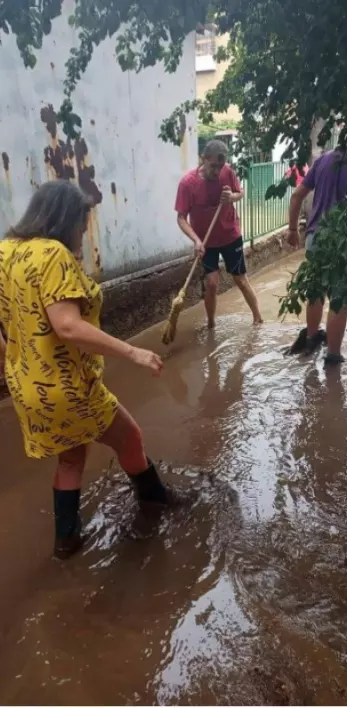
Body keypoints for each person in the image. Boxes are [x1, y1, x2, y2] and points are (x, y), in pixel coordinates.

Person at [0, 180, 184, 560]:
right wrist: (133, 352)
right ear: (65, 219)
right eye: (82, 225)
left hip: (30, 387)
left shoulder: (6, 252)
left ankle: (66, 541)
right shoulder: (52, 255)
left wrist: (13, 361)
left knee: (70, 457)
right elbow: (67, 326)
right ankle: (155, 502)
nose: (83, 234)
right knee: (129, 437)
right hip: (68, 385)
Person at [285, 133, 347, 367]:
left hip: (315, 237)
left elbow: (297, 195)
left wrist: (291, 230)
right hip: (344, 240)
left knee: (314, 292)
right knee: (340, 299)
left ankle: (310, 340)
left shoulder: (324, 159)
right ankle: (333, 357)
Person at [175, 140, 263, 328]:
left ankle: (258, 318)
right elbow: (181, 218)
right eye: (213, 166)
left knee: (240, 279)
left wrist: (231, 197)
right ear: (203, 159)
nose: (217, 171)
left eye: (220, 166)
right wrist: (197, 241)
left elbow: (240, 192)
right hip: (205, 242)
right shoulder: (188, 184)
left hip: (230, 235)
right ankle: (211, 324)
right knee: (212, 283)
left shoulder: (228, 172)